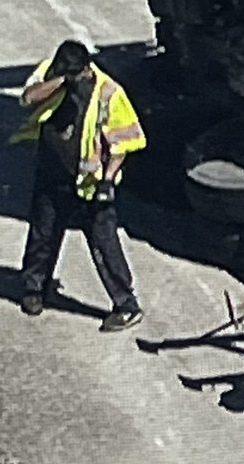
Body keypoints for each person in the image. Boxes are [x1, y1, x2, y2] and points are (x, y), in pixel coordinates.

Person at [10, 40, 147, 332]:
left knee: (104, 243)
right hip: (53, 174)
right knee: (42, 235)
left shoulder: (109, 93)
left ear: (86, 68)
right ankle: (34, 289)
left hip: (90, 185)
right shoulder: (50, 73)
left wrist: (107, 182)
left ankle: (126, 304)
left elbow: (122, 143)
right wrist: (59, 81)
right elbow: (28, 98)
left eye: (75, 74)